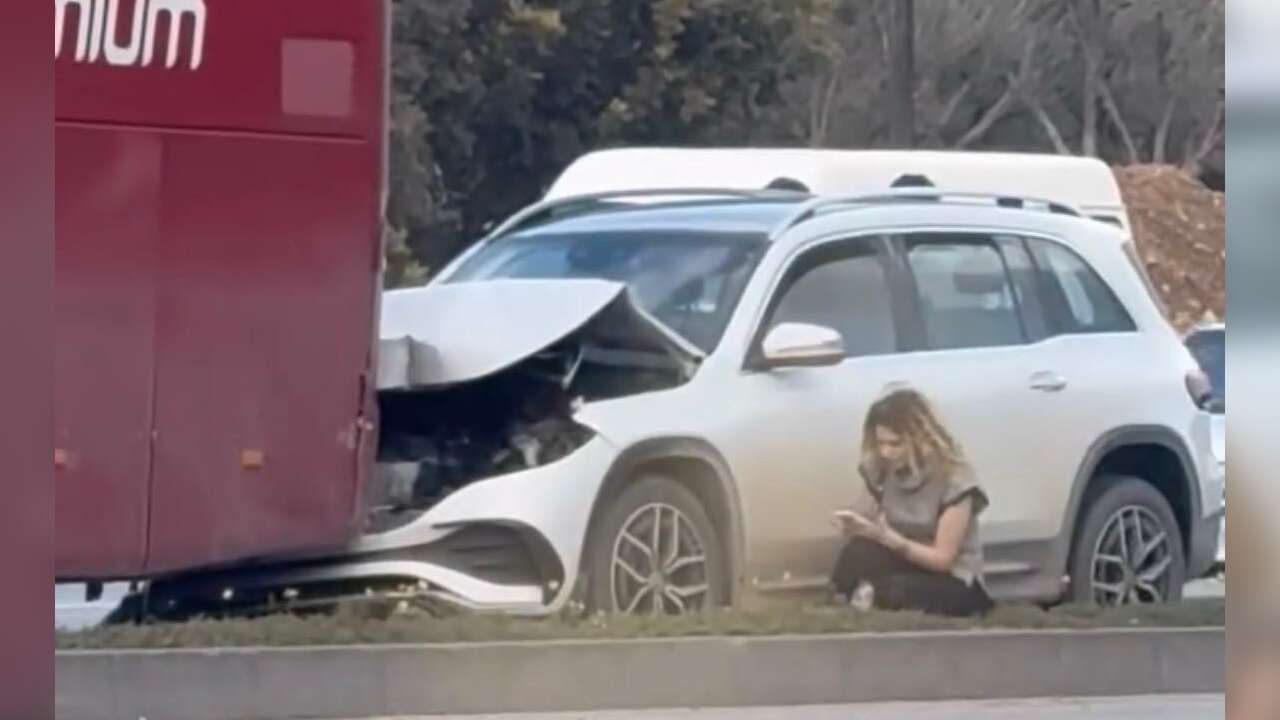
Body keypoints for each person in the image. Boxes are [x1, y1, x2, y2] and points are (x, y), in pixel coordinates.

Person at [829, 386, 994, 617]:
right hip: (905, 562)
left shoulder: (955, 480)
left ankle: (871, 599)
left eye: (895, 444)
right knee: (857, 553)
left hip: (953, 578)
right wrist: (856, 525)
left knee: (898, 590)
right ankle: (843, 601)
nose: (885, 452)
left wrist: (891, 540)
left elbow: (943, 559)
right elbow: (868, 518)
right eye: (880, 443)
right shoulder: (882, 469)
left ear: (919, 440)